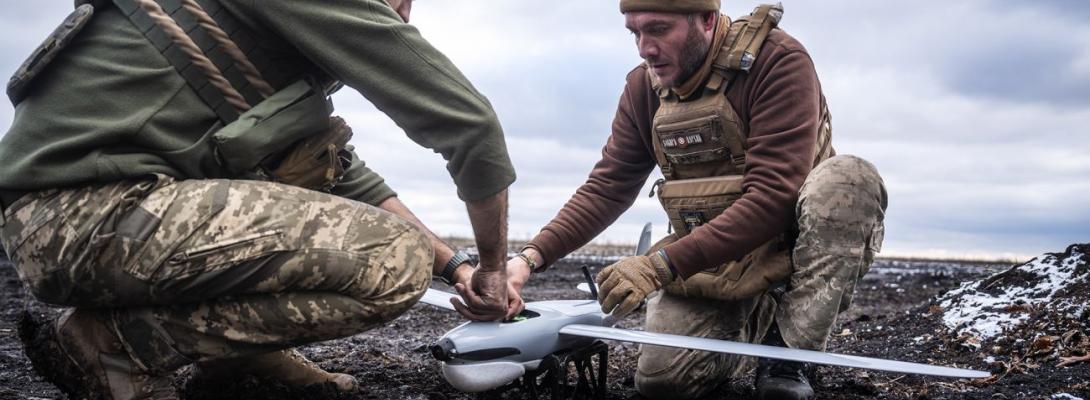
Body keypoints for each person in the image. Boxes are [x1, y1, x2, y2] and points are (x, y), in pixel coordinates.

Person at [0, 0, 514, 399]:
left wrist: (459, 269)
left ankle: (238, 360)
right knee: (393, 260)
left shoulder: (250, 40)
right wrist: (493, 266)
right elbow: (468, 123)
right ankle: (117, 345)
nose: (404, 14)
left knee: (334, 213)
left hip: (82, 221)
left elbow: (337, 172)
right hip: (84, 216)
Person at [493, 1, 887, 399]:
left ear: (707, 20)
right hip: (718, 259)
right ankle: (756, 320)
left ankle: (789, 350)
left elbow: (773, 196)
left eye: (659, 30)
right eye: (635, 32)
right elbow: (608, 186)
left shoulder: (777, 62)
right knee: (664, 383)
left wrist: (659, 266)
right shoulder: (643, 89)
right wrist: (526, 260)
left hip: (788, 244)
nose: (645, 48)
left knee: (848, 181)